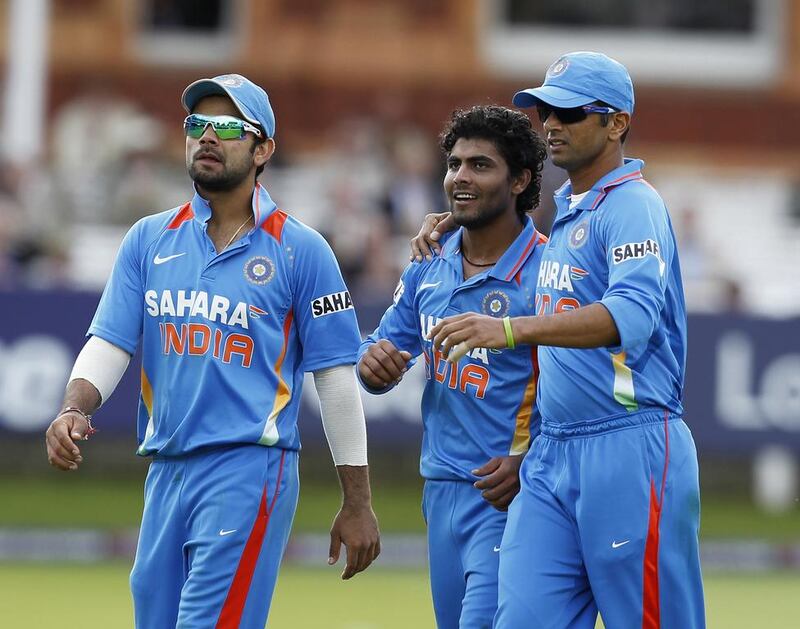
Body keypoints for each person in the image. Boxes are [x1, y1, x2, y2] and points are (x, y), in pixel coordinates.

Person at [44, 73, 380, 628]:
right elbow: (110, 342)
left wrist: (358, 500)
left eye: (226, 126)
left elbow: (337, 381)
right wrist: (74, 408)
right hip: (166, 469)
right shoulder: (149, 238)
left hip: (249, 467)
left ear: (263, 147)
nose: (206, 137)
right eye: (196, 125)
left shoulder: (302, 250)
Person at [415, 52, 705, 628]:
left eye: (571, 111)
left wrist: (506, 330)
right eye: (545, 108)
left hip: (630, 445)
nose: (550, 123)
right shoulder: (569, 213)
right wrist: (462, 220)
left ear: (616, 122)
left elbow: (633, 315)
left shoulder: (634, 206)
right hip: (550, 456)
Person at [358, 105, 548, 629]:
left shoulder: (547, 275)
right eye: (454, 163)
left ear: (520, 181)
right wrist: (370, 362)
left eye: (480, 165)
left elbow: (576, 391)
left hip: (508, 494)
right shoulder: (429, 264)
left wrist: (527, 462)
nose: (460, 176)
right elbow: (383, 347)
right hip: (439, 490)